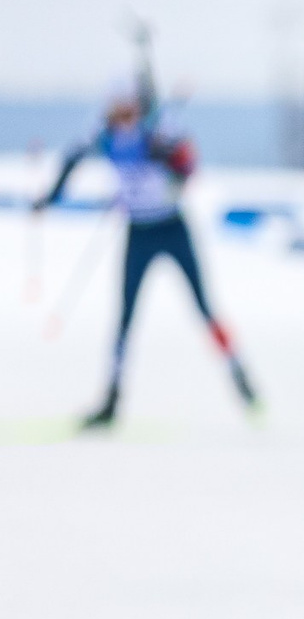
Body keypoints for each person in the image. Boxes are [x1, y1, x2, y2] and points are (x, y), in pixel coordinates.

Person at [39, 87, 257, 427]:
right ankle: (111, 398)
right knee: (125, 316)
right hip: (138, 231)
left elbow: (188, 164)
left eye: (127, 109)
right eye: (116, 109)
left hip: (172, 226)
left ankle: (238, 372)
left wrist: (168, 155)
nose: (122, 116)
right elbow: (72, 157)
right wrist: (50, 197)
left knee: (204, 306)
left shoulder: (158, 131)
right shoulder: (106, 135)